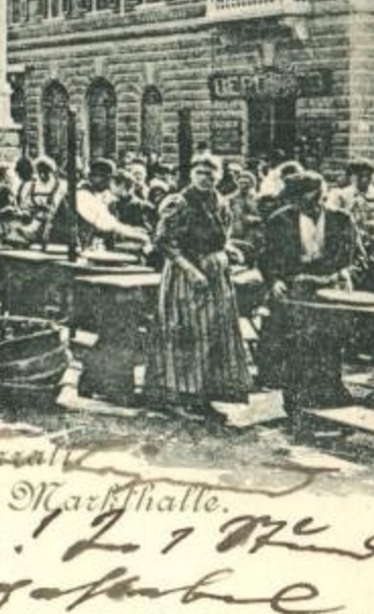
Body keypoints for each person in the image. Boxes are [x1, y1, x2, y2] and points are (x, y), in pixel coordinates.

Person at [146, 154, 250, 422]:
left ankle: (203, 395)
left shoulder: (221, 203)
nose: (207, 178)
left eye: (211, 173)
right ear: (192, 174)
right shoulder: (179, 203)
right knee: (186, 333)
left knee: (214, 333)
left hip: (215, 276)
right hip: (185, 276)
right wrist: (191, 271)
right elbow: (163, 241)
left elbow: (221, 238)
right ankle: (177, 396)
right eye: (201, 172)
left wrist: (230, 250)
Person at [256, 170, 361, 416]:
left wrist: (336, 275)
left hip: (330, 284)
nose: (311, 206)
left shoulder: (341, 219)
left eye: (315, 199)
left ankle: (330, 391)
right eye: (303, 201)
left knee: (329, 340)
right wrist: (275, 281)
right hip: (295, 284)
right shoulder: (279, 220)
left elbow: (350, 254)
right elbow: (266, 257)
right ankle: (295, 396)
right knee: (295, 341)